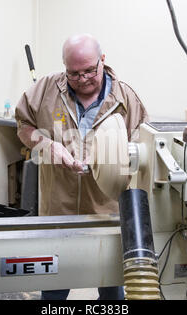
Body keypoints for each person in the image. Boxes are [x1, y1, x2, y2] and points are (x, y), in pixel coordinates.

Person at [15, 33, 148, 300]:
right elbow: (23, 126)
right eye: (73, 74)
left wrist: (112, 160)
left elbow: (143, 154)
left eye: (89, 71)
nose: (83, 79)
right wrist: (45, 144)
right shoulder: (45, 89)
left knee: (112, 291)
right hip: (58, 211)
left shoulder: (127, 99)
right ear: (65, 67)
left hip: (106, 213)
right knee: (53, 290)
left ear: (102, 60)